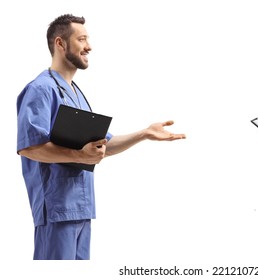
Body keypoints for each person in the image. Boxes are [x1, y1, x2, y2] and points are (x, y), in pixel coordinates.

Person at [16, 14, 186, 260]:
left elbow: (102, 144)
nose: (89, 46)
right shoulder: (41, 90)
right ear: (60, 44)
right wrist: (79, 155)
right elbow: (30, 147)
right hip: (56, 211)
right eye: (82, 39)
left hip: (81, 209)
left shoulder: (76, 94)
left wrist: (144, 133)